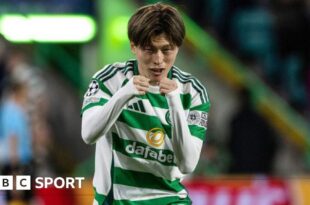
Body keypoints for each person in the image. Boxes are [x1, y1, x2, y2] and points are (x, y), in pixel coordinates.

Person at [81, 3, 211, 204]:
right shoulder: (109, 79)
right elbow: (88, 134)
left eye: (167, 50)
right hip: (116, 201)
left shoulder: (192, 91)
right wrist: (123, 94)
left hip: (170, 200)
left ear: (178, 47)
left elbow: (187, 164)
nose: (159, 60)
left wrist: (174, 103)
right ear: (134, 46)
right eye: (150, 49)